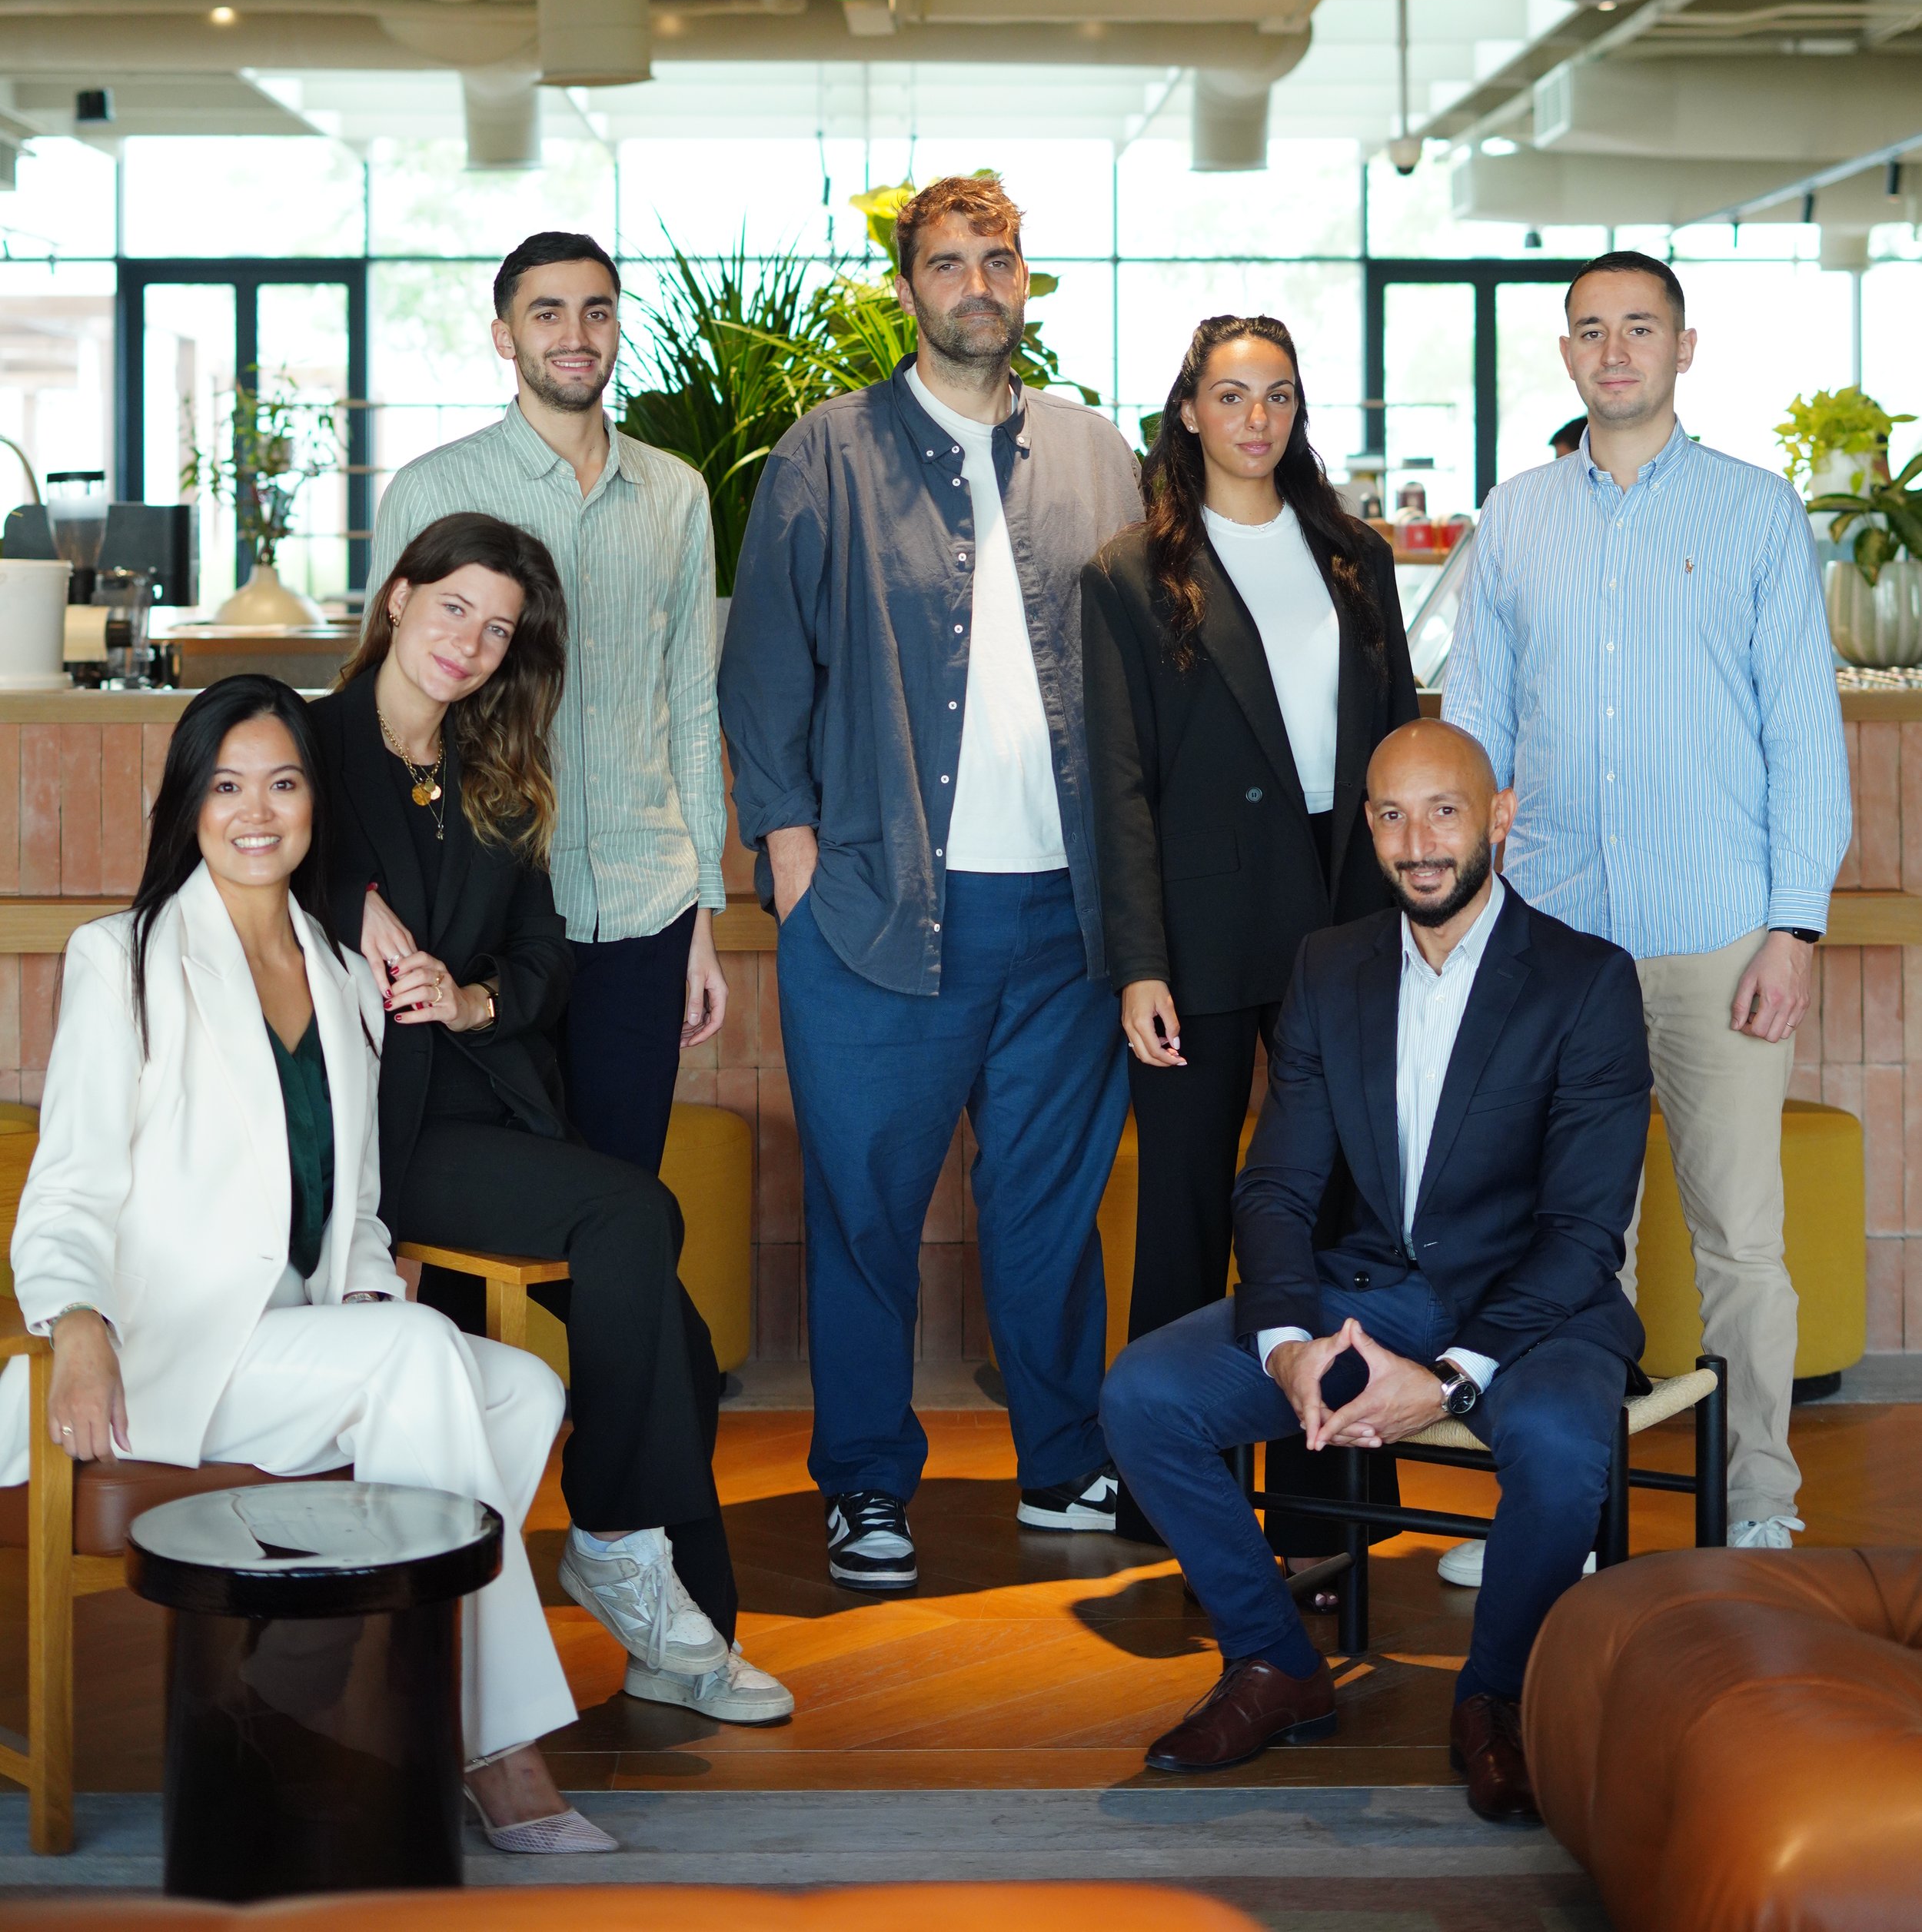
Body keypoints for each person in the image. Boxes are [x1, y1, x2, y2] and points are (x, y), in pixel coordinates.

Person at [0, 677, 610, 1857]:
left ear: (315, 802)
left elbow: (361, 1198)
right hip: (174, 1353)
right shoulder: (121, 957)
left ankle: (337, 1678)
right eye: (226, 786)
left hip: (303, 1341)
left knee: (526, 1389)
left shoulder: (342, 976)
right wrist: (74, 1319)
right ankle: (490, 1745)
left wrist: (374, 1283)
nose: (257, 811)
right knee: (421, 1359)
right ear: (188, 806)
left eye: (282, 782)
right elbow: (68, 1181)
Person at [1099, 720, 1652, 1827]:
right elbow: (1277, 1188)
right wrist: (1288, 1343)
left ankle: (1494, 1694)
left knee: (1554, 1441)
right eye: (1392, 815)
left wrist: (1447, 1377)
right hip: (1372, 1291)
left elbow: (1583, 1230)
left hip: (1537, 1310)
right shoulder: (1330, 964)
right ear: (1368, 824)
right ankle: (1276, 1662)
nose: (1419, 842)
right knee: (1141, 1396)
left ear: (1498, 815)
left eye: (1444, 810)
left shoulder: (1586, 980)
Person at [720, 172, 1142, 1593]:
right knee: (866, 1208)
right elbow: (764, 662)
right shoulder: (824, 452)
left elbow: (1148, 677)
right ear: (907, 289)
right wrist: (788, 854)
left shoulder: (1101, 456)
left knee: (1045, 1209)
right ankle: (863, 1485)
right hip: (880, 907)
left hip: (1064, 919)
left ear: (1028, 280)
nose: (976, 282)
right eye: (948, 262)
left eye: (999, 258)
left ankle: (1063, 1456)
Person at [310, 510, 791, 1728]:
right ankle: (624, 1552)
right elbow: (223, 832)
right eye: (455, 605)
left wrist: (475, 995)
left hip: (493, 1100)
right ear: (400, 596)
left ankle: (673, 1622)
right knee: (635, 1205)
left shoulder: (492, 771)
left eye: (499, 626)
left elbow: (541, 956)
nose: (470, 640)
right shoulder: (303, 738)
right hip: (382, 1133)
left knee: (672, 1337)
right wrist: (346, 899)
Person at [1443, 248, 1850, 1561]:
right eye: (1590, 331)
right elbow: (1476, 727)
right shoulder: (1513, 518)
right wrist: (1464, 905)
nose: (1613, 350)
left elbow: (1804, 735)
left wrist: (1795, 926)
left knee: (1739, 1238)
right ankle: (1565, 1506)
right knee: (1568, 1243)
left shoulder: (1753, 512)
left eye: (1639, 328)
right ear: (1565, 355)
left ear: (1685, 348)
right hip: (1557, 944)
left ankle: (1761, 1501)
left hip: (1723, 935)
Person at [1081, 313, 1418, 1373]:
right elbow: (1119, 786)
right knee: (1184, 1206)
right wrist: (1139, 966)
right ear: (1187, 412)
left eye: (1277, 394)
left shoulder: (1356, 554)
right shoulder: (1129, 574)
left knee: (1346, 1197)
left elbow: (1401, 735)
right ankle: (1170, 1474)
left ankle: (1335, 1477)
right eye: (1230, 395)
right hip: (1202, 928)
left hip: (1348, 905)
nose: (1255, 416)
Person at [367, 231, 727, 1180]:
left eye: (597, 311)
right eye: (548, 312)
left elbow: (690, 706)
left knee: (617, 1200)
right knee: (474, 1205)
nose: (576, 334)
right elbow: (380, 698)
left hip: (646, 909)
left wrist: (704, 915)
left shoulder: (676, 496)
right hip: (485, 907)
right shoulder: (435, 489)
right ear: (504, 337)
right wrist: (364, 884)